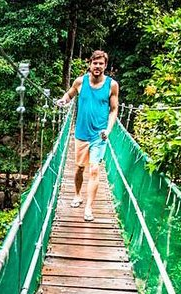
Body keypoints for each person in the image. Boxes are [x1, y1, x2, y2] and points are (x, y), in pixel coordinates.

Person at [56, 50, 119, 222]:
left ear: (105, 66)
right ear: (90, 64)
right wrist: (63, 101)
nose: (97, 66)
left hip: (99, 135)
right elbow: (69, 96)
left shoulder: (112, 85)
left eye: (101, 64)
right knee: (79, 168)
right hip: (81, 134)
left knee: (94, 169)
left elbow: (114, 110)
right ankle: (77, 195)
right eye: (95, 63)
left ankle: (89, 207)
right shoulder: (80, 82)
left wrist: (108, 129)